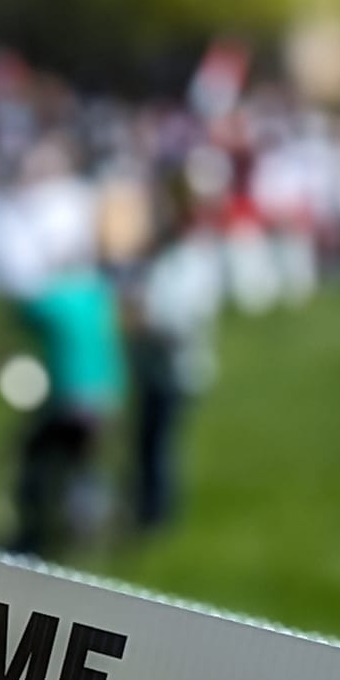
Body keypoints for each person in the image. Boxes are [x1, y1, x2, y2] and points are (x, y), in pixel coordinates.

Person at [8, 262, 127, 559]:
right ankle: (88, 523)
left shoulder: (54, 301)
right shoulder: (97, 296)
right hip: (107, 396)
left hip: (69, 399)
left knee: (39, 457)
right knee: (86, 461)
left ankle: (39, 528)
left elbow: (21, 314)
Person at [126, 185, 221, 534]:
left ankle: (156, 514)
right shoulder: (164, 258)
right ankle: (146, 506)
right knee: (146, 440)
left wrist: (142, 324)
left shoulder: (193, 262)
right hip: (151, 366)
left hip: (174, 369)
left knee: (158, 444)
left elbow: (182, 322)